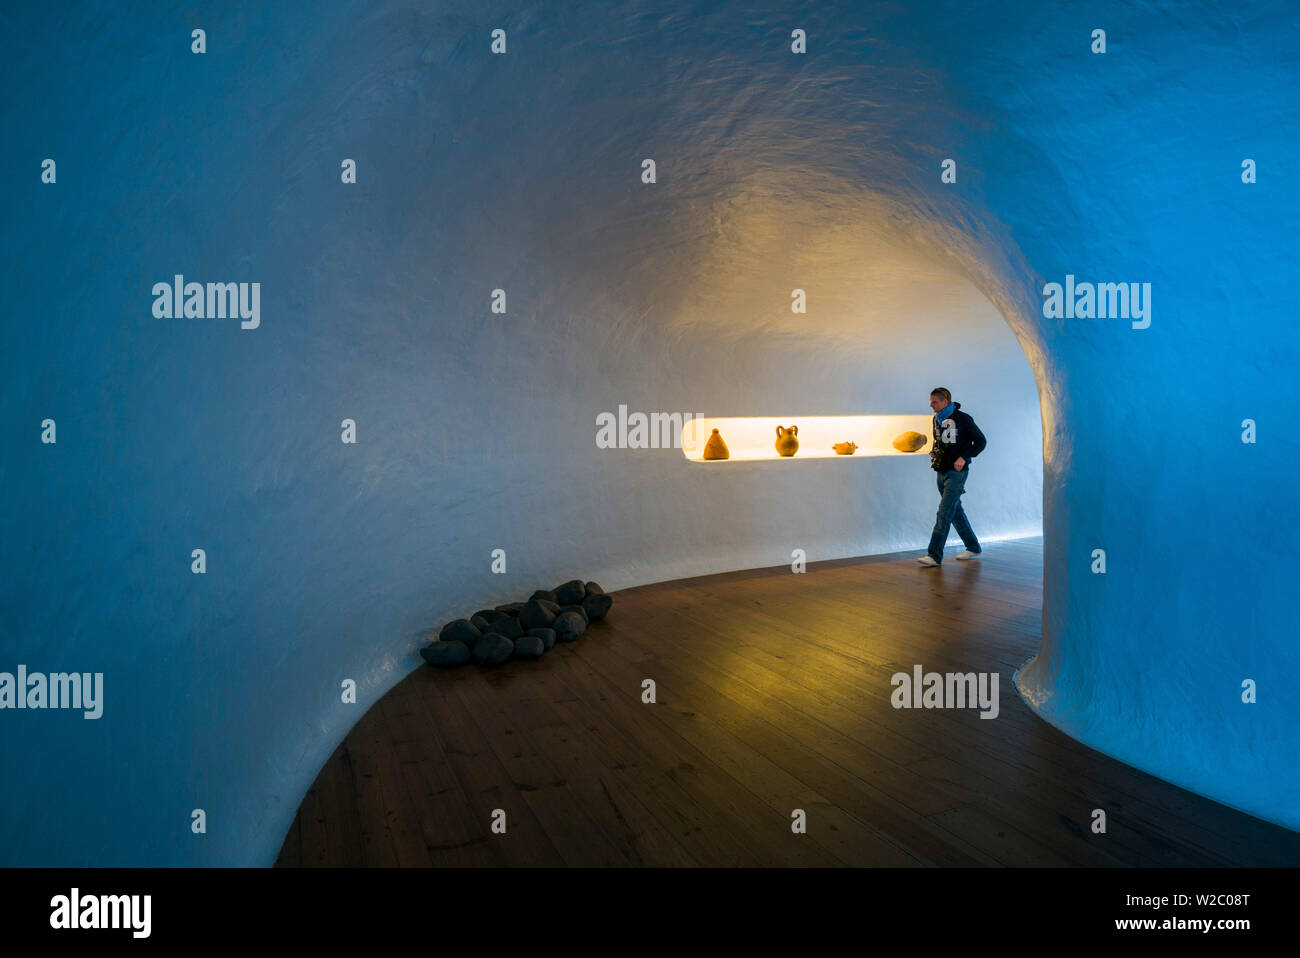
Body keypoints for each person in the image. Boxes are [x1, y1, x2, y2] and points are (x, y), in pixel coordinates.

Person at [917, 387, 986, 567]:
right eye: (931, 401)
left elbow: (981, 441)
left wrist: (964, 457)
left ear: (945, 401)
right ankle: (973, 546)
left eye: (934, 401)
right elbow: (941, 441)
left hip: (957, 473)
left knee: (944, 512)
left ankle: (934, 555)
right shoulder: (936, 419)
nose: (931, 405)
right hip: (941, 471)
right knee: (955, 512)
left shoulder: (963, 419)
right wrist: (935, 452)